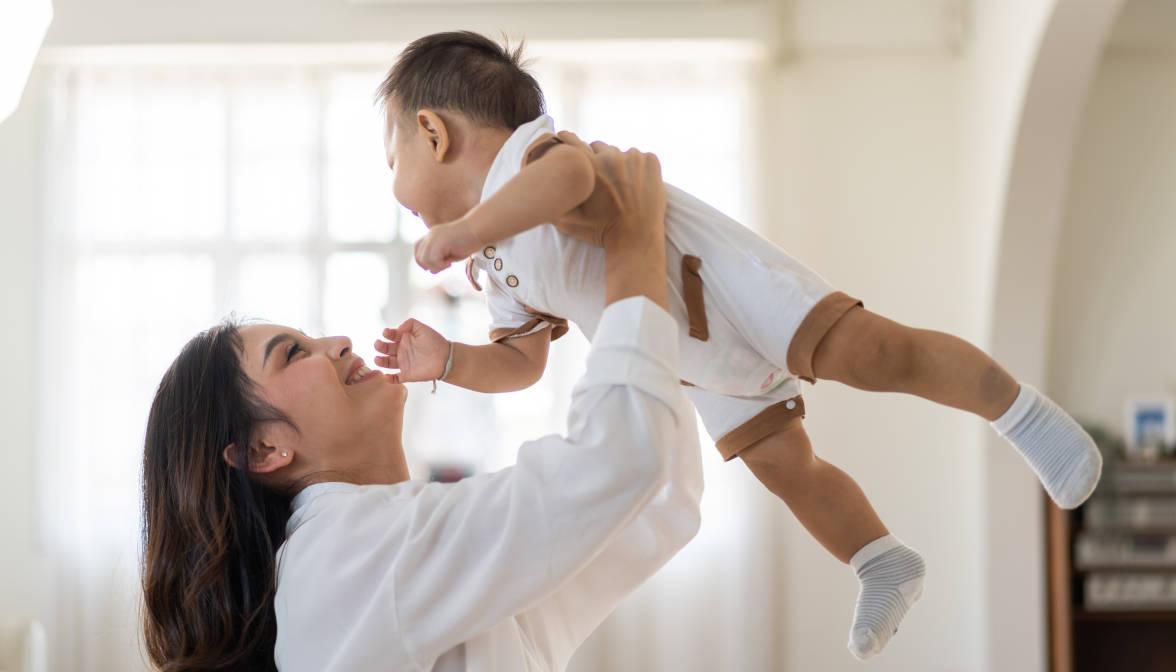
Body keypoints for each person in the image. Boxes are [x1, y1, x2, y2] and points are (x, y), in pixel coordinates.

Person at [372, 31, 1104, 659]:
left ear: (433, 134)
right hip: (694, 360)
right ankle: (881, 559)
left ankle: (1027, 415)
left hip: (724, 286)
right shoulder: (494, 262)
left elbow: (573, 179)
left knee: (877, 356)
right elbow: (524, 363)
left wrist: (466, 229)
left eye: (391, 158)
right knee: (786, 467)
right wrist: (451, 362)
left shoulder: (532, 158)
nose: (394, 184)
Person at [139, 139, 701, 671]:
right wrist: (632, 243)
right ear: (263, 449)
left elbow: (654, 503)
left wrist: (604, 279)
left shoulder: (392, 554)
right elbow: (621, 463)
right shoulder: (346, 556)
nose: (337, 344)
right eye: (293, 353)